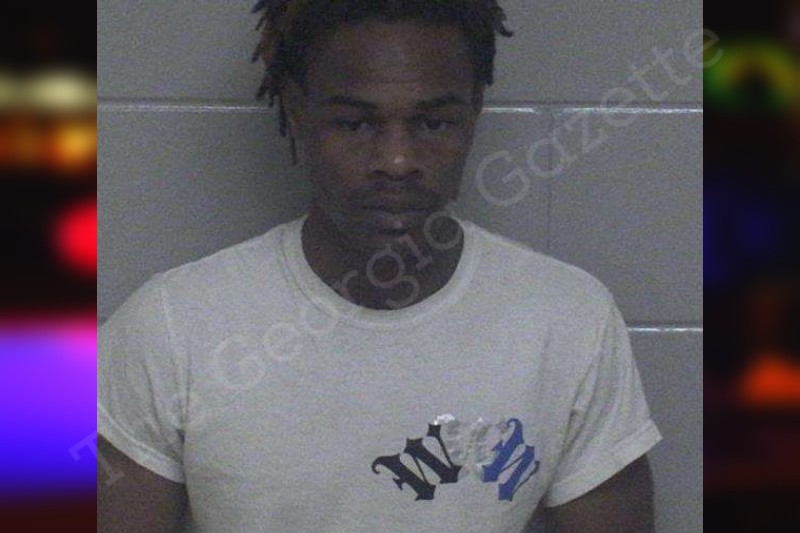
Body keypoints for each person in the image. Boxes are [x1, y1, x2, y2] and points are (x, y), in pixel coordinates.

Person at [97, 1, 662, 531]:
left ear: (475, 112)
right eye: (355, 124)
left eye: (434, 123)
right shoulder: (173, 327)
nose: (397, 160)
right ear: (297, 111)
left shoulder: (569, 320)